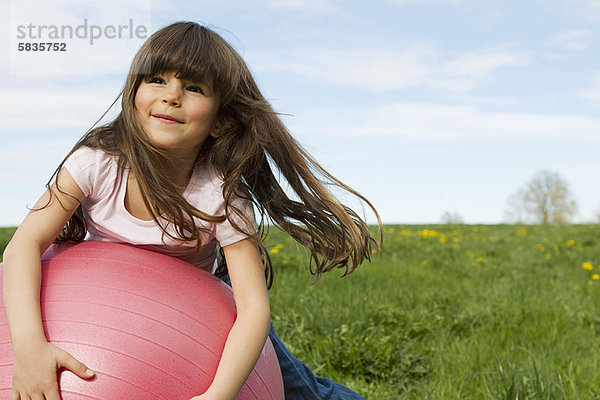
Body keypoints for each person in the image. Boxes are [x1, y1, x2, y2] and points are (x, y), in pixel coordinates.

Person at [2, 21, 382, 400]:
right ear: (132, 95)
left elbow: (252, 309)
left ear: (219, 121)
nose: (171, 96)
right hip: (101, 295)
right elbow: (22, 247)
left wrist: (217, 395)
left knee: (304, 393)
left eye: (194, 87)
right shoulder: (96, 162)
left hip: (205, 309)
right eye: (156, 80)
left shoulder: (221, 194)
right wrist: (30, 347)